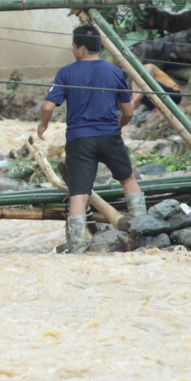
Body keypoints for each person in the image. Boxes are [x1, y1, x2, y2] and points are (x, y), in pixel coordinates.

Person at [37, 25, 144, 254]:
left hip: (79, 139)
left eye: (74, 46)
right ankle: (144, 230)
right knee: (127, 179)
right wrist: (118, 127)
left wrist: (43, 125)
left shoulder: (66, 73)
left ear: (82, 48)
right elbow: (128, 112)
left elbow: (47, 106)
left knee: (79, 193)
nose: (73, 49)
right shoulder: (114, 72)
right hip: (108, 135)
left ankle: (76, 246)